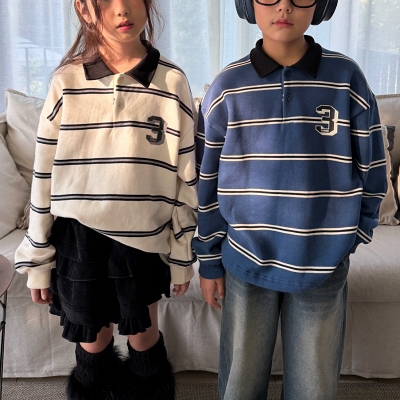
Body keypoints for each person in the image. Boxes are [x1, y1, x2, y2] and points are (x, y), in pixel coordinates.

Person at [193, 0, 387, 399]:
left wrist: (354, 234)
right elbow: (205, 179)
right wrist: (209, 258)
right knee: (240, 385)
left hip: (323, 262)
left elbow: (373, 167)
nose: (284, 6)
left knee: (313, 388)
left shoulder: (346, 78)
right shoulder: (227, 86)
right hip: (244, 259)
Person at [14, 0, 198, 399]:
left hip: (143, 238)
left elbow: (187, 179)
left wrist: (182, 256)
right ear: (84, 9)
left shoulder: (172, 82)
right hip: (78, 239)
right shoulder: (66, 81)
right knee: (92, 342)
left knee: (144, 336)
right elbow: (43, 177)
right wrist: (38, 259)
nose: (122, 10)